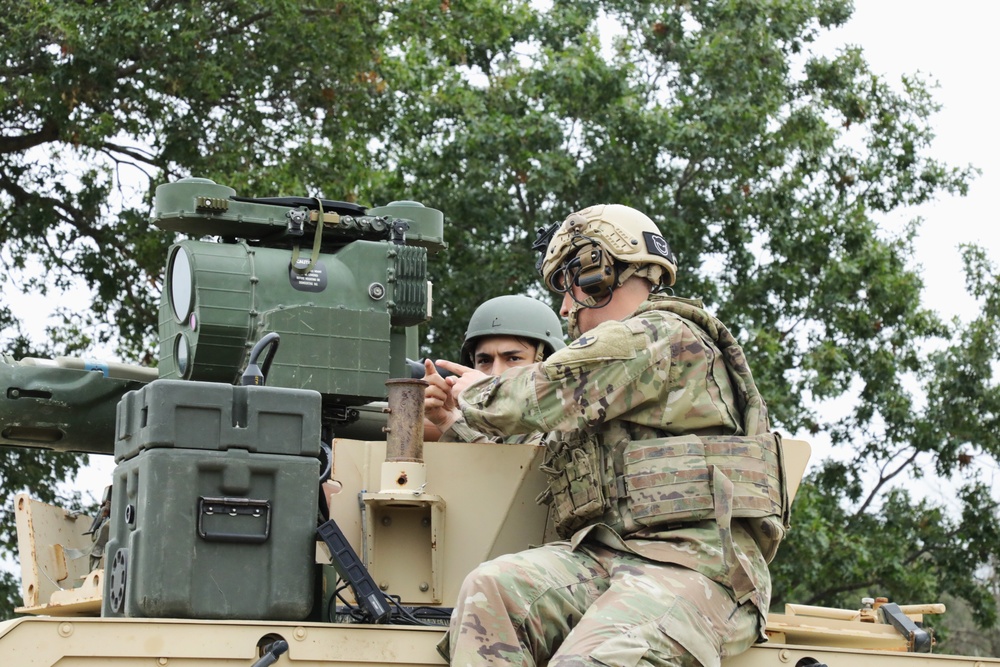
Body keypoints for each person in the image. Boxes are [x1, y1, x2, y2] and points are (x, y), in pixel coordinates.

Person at [433, 204, 787, 666]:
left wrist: (477, 395)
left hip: (695, 568)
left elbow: (539, 394)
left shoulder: (659, 335)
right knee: (491, 592)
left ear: (598, 272)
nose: (564, 306)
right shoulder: (612, 385)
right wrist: (452, 427)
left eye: (568, 283)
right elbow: (538, 455)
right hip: (606, 558)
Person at [423, 294, 565, 443]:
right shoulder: (476, 426)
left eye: (513, 359)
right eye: (485, 360)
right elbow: (493, 462)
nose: (495, 372)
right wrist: (448, 419)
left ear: (546, 362)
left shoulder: (570, 423)